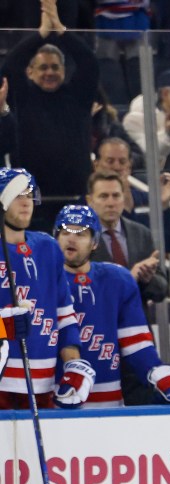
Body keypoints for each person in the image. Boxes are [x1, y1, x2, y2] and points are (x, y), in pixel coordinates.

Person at [57, 205, 170, 407]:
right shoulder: (43, 279)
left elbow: (136, 341)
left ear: (95, 243)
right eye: (65, 232)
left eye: (81, 234)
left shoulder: (117, 279)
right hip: (57, 397)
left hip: (111, 400)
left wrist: (157, 372)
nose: (71, 238)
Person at [1, 0, 99, 227]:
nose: (50, 72)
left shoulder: (78, 96)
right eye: (43, 67)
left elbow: (89, 63)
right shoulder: (22, 96)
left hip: (75, 197)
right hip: (31, 200)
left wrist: (61, 31)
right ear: (30, 71)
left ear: (64, 71)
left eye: (55, 67)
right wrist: (41, 34)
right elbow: (9, 66)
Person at [0, 168, 92, 410]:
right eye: (17, 194)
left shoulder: (48, 247)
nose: (26, 202)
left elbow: (65, 316)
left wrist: (74, 365)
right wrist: (2, 325)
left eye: (29, 194)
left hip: (43, 384)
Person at [85, 169, 169, 305]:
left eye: (116, 196)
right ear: (90, 201)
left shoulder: (141, 233)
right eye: (103, 196)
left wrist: (148, 279)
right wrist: (130, 277)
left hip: (137, 322)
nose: (111, 203)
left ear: (124, 198)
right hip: (98, 322)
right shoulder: (81, 238)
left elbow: (161, 291)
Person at [92, 137, 170, 256]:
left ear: (129, 166)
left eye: (122, 162)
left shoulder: (146, 199)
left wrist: (163, 206)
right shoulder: (85, 205)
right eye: (110, 161)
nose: (117, 167)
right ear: (96, 165)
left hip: (145, 269)